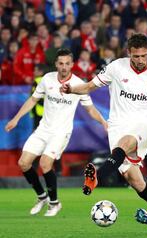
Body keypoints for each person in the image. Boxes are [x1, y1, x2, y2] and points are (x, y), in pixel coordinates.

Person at [59, 34, 147, 235]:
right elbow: (89, 86)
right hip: (118, 125)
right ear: (129, 53)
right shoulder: (116, 68)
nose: (141, 60)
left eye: (144, 55)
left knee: (126, 143)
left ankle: (98, 177)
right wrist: (71, 89)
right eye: (136, 56)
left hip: (144, 125)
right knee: (136, 182)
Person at [4, 48, 107, 216]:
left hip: (61, 132)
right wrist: (16, 119)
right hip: (43, 129)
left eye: (67, 63)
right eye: (61, 63)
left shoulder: (79, 84)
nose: (64, 67)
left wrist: (103, 122)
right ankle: (42, 196)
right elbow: (33, 99)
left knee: (45, 163)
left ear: (72, 64)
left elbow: (90, 109)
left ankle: (54, 203)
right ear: (56, 64)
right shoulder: (47, 79)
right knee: (23, 163)